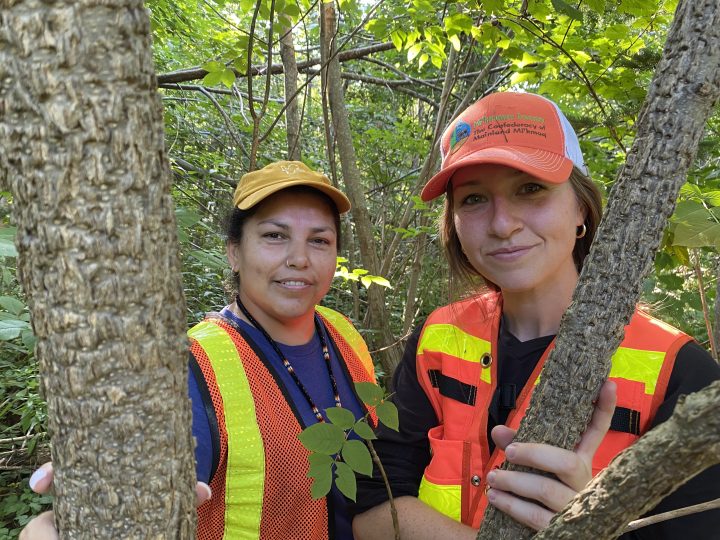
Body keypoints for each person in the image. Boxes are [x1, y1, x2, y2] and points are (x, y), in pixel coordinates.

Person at [351, 91, 720, 539]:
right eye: (473, 199)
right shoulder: (439, 337)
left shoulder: (680, 372)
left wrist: (598, 523)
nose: (503, 223)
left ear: (581, 206)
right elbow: (372, 508)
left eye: (530, 189)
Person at [20, 161, 379, 540]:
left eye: (319, 240)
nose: (299, 258)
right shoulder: (192, 367)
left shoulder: (343, 333)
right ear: (234, 253)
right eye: (275, 236)